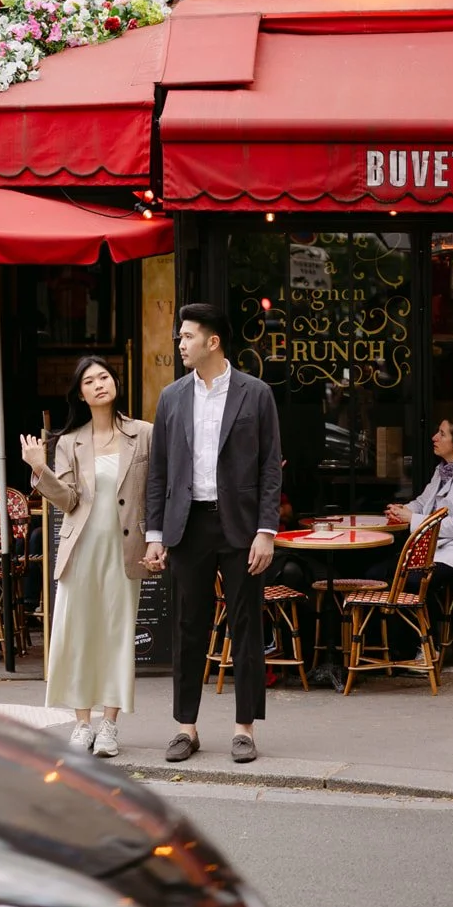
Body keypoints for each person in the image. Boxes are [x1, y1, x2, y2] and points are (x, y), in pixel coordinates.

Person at [145, 302, 282, 766]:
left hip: (240, 525)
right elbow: (159, 473)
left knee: (246, 625)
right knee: (188, 626)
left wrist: (266, 531)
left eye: (187, 336)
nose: (180, 344)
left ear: (212, 341)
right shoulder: (172, 397)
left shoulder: (256, 393)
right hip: (188, 524)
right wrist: (154, 533)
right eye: (180, 337)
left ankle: (244, 728)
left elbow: (269, 469)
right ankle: (186, 727)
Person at [20, 357, 154, 760]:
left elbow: (157, 489)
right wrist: (40, 469)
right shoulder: (69, 442)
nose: (99, 385)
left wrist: (158, 540)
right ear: (80, 393)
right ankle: (82, 723)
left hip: (125, 549)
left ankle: (109, 725)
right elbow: (69, 500)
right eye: (90, 381)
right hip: (80, 550)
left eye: (105, 377)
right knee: (76, 635)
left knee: (116, 634)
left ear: (115, 383)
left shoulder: (144, 433)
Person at [386, 416, 453, 599]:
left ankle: (424, 627)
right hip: (433, 550)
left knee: (405, 580)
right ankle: (410, 626)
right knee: (378, 572)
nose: (434, 437)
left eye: (442, 434)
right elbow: (422, 502)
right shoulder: (443, 469)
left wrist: (411, 518)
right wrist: (401, 510)